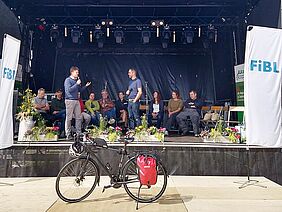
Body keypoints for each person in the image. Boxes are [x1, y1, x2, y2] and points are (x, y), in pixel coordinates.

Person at [64, 66, 91, 140]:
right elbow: (69, 90)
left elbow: (79, 91)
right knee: (69, 118)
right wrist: (76, 84)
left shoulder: (77, 81)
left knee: (78, 117)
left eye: (78, 72)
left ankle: (78, 133)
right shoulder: (68, 80)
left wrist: (85, 86)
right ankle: (68, 134)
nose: (77, 74)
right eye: (76, 72)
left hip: (76, 100)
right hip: (70, 100)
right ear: (72, 72)